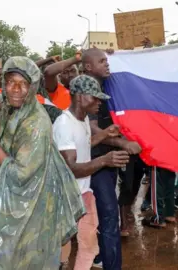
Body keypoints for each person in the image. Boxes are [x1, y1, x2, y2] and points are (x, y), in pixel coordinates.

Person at [0, 56, 84, 269]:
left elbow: (21, 173)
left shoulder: (36, 122)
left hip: (36, 201)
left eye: (24, 84)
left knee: (30, 256)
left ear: (33, 87)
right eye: (11, 82)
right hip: (20, 197)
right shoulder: (15, 108)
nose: (16, 89)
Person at [53, 74, 129, 269]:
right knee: (61, 247)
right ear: (79, 97)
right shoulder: (64, 124)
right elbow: (71, 168)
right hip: (67, 197)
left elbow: (83, 146)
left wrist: (104, 134)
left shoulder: (83, 119)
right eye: (94, 97)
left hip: (84, 194)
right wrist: (104, 160)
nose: (99, 103)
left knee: (89, 247)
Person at [83, 48, 142, 269]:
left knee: (104, 215)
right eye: (102, 61)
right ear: (88, 67)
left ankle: (102, 257)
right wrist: (122, 143)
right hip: (94, 163)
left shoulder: (106, 84)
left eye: (107, 60)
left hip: (108, 160)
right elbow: (91, 127)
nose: (107, 64)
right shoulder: (87, 90)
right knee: (108, 218)